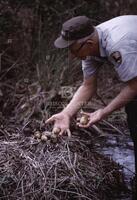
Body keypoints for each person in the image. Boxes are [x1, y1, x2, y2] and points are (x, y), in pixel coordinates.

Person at [46, 15, 137, 197]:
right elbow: (88, 86)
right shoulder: (89, 47)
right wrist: (66, 114)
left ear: (87, 43)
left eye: (72, 50)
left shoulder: (116, 44)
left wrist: (103, 112)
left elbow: (135, 85)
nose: (71, 55)